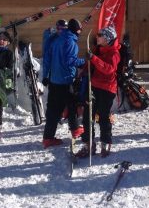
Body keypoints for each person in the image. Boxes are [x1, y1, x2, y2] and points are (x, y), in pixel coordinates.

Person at [76, 26, 120, 158]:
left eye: (100, 35)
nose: (97, 37)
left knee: (104, 117)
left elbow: (109, 69)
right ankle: (88, 144)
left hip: (107, 89)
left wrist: (94, 58)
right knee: (87, 116)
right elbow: (92, 65)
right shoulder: (98, 50)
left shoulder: (114, 53)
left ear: (107, 38)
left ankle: (105, 143)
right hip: (94, 87)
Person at [41, 18, 85, 148]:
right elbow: (70, 60)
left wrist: (46, 75)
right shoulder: (70, 41)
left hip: (54, 80)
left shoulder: (57, 39)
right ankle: (75, 129)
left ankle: (48, 137)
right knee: (70, 105)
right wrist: (84, 62)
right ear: (76, 30)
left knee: (55, 109)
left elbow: (47, 58)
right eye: (79, 31)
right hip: (65, 80)